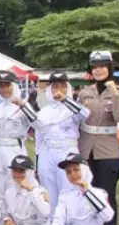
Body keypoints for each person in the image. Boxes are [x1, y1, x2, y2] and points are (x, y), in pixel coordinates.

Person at [77, 51, 119, 225]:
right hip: (85, 147)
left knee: (106, 193)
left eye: (102, 66)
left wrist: (114, 93)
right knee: (86, 191)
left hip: (107, 150)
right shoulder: (85, 92)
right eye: (95, 66)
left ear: (110, 67)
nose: (98, 70)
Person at [20, 72, 89, 210]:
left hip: (67, 152)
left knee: (70, 190)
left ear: (68, 88)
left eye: (62, 86)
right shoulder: (44, 111)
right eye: (55, 86)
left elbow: (84, 115)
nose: (58, 89)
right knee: (49, 193)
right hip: (47, 153)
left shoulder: (73, 108)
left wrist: (65, 100)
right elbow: (38, 135)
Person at [0, 71, 32, 199]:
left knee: (15, 185)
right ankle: (1, 217)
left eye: (7, 85)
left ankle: (16, 216)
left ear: (15, 86)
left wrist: (23, 106)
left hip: (14, 149)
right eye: (1, 86)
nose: (4, 89)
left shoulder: (23, 105)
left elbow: (35, 123)